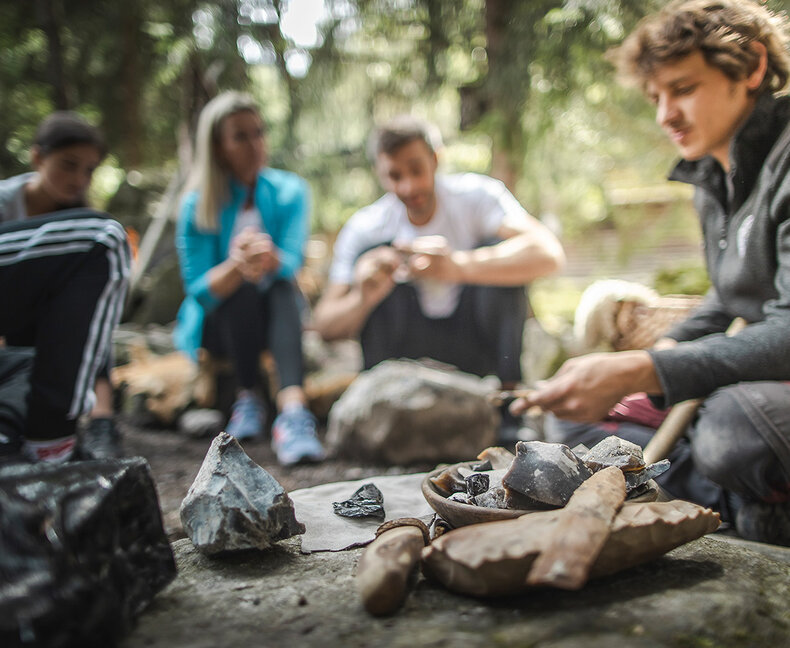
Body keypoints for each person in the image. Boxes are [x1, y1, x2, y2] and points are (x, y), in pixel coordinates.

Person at [512, 0, 790, 546]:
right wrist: (646, 355)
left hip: (763, 397)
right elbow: (729, 297)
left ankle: (731, 498)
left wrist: (650, 367)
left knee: (733, 429)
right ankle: (738, 505)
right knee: (574, 422)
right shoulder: (718, 176)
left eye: (683, 88)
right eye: (656, 96)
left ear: (753, 66)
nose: (665, 115)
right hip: (751, 384)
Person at [311, 116, 565, 410]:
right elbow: (325, 325)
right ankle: (381, 406)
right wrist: (363, 297)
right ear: (379, 174)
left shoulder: (477, 196)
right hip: (403, 351)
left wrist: (457, 266)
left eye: (416, 170)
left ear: (436, 159)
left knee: (502, 254)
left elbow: (548, 253)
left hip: (473, 343)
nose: (408, 187)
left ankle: (509, 404)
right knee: (372, 254)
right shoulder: (366, 227)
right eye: (395, 176)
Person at [174, 91, 324, 466]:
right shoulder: (197, 205)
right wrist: (237, 266)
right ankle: (248, 397)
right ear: (219, 146)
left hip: (275, 309)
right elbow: (199, 293)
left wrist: (270, 261)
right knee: (239, 287)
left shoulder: (290, 191)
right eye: (240, 136)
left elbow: (293, 263)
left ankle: (292, 412)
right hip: (218, 325)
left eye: (258, 132)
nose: (255, 144)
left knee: (278, 285)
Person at [0, 113, 131, 462]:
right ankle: (51, 433)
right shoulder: (6, 205)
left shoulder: (74, 217)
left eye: (88, 171)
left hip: (31, 337)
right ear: (38, 157)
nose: (78, 179)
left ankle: (99, 418)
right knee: (107, 240)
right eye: (69, 165)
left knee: (85, 311)